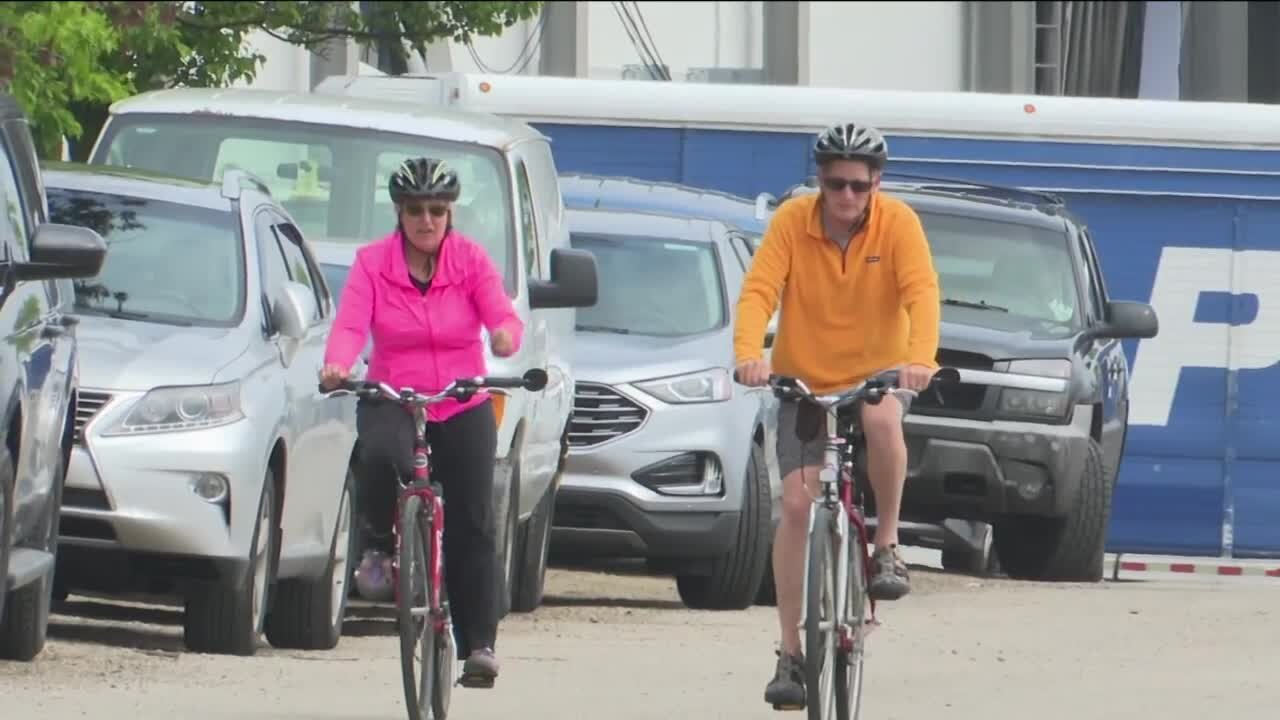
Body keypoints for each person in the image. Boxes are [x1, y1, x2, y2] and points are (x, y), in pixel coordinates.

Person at [732, 122, 942, 708]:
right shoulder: (791, 224)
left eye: (857, 185)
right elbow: (758, 291)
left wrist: (920, 360)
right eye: (834, 184)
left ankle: (888, 545)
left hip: (877, 373)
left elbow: (921, 292)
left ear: (876, 182)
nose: (846, 197)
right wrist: (750, 354)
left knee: (881, 419)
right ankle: (791, 653)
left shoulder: (898, 223)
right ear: (819, 183)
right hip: (803, 378)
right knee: (798, 504)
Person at [319, 156, 523, 688]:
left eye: (437, 210)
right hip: (396, 394)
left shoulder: (472, 261)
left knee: (474, 522)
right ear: (399, 213)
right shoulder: (372, 264)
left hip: (459, 399)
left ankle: (479, 644)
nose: (426, 221)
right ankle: (380, 547)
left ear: (451, 213)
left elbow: (501, 313)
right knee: (378, 452)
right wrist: (338, 364)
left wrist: (504, 334)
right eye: (415, 210)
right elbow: (350, 324)